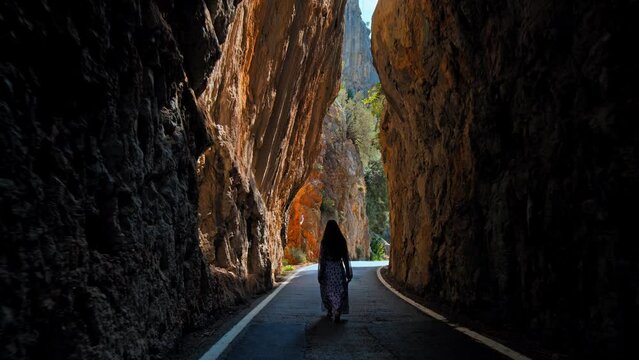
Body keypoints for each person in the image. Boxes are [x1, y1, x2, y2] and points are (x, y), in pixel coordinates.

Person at [317, 220, 353, 322]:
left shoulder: (325, 242)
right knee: (339, 290)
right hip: (338, 269)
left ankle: (330, 310)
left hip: (328, 270)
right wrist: (348, 272)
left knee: (328, 290)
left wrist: (321, 273)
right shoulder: (341, 241)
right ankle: (337, 311)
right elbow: (345, 258)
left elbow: (322, 259)